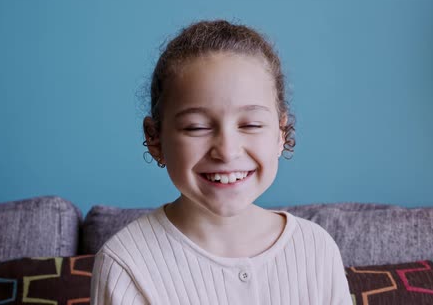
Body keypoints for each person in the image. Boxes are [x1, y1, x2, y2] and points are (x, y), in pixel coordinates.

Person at [90, 19, 352, 305]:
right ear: (155, 139)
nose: (227, 151)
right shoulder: (126, 264)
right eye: (196, 127)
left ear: (281, 134)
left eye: (251, 124)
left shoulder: (316, 248)